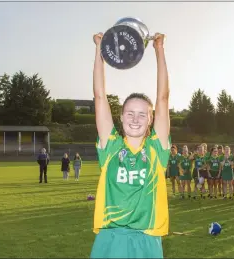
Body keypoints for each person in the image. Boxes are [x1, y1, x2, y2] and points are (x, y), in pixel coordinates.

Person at [90, 32, 170, 259]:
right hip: (111, 238)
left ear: (150, 119)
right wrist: (99, 50)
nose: (135, 119)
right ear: (121, 117)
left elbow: (163, 99)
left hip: (147, 238)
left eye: (142, 114)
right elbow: (99, 97)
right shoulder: (111, 147)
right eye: (130, 113)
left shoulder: (157, 149)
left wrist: (159, 49)